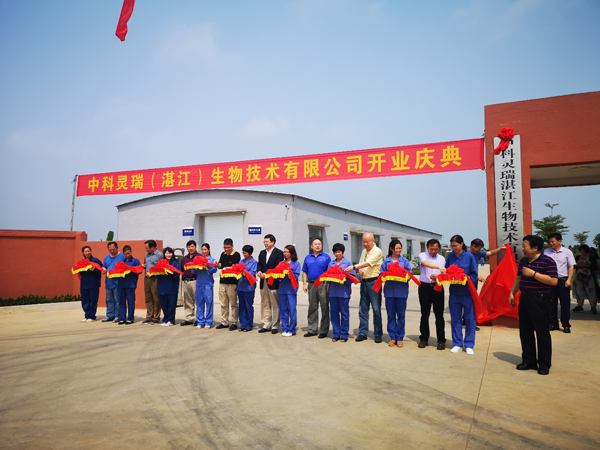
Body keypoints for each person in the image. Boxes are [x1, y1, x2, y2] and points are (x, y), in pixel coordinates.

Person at [509, 235, 558, 375]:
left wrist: (533, 274)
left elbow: (553, 281)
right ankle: (529, 360)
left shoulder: (548, 261)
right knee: (525, 331)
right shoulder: (524, 261)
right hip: (525, 298)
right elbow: (519, 277)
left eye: (525, 246)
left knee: (542, 333)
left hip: (540, 300)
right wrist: (512, 293)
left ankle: (544, 364)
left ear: (535, 248)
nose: (522, 249)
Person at [345, 232, 384, 343]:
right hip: (364, 282)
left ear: (373, 241)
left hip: (374, 282)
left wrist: (353, 267)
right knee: (363, 309)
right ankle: (363, 332)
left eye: (367, 242)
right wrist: (360, 271)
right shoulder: (364, 251)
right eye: (364, 242)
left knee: (376, 309)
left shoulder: (377, 251)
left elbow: (367, 263)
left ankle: (378, 334)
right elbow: (362, 263)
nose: (365, 244)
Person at [446, 235, 478, 355]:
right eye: (452, 246)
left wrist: (466, 278)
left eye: (455, 245)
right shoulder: (450, 257)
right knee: (455, 318)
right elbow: (446, 271)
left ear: (461, 244)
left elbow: (474, 274)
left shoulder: (469, 257)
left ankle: (469, 344)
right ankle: (457, 343)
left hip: (467, 293)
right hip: (454, 292)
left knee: (470, 319)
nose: (453, 248)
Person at [380, 240, 413, 348]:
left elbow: (410, 274)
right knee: (391, 315)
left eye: (400, 248)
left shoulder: (404, 261)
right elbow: (381, 275)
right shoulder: (386, 262)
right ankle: (392, 337)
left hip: (401, 292)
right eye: (397, 248)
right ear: (391, 249)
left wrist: (403, 276)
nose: (399, 250)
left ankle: (400, 337)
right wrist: (386, 275)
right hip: (389, 292)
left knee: (401, 315)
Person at [417, 239, 447, 350]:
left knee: (439, 315)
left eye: (436, 249)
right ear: (427, 248)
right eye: (431, 249)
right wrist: (438, 267)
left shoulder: (442, 258)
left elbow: (444, 273)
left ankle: (441, 340)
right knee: (425, 314)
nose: (434, 251)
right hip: (424, 287)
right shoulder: (422, 255)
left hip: (437, 286)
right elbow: (425, 263)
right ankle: (424, 339)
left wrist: (438, 276)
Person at [543, 233, 575, 333]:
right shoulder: (546, 252)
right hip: (550, 280)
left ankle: (566, 324)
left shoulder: (567, 252)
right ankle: (553, 323)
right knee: (551, 303)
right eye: (549, 241)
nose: (551, 243)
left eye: (553, 241)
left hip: (563, 281)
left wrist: (569, 279)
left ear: (559, 241)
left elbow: (571, 266)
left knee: (565, 304)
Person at [302, 237, 332, 338]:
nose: (318, 245)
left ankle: (324, 330)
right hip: (311, 284)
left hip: (323, 284)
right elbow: (304, 272)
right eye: (316, 244)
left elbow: (330, 272)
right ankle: (312, 329)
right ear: (311, 246)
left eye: (319, 244)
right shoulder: (307, 258)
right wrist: (305, 284)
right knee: (312, 307)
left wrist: (328, 285)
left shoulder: (326, 257)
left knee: (324, 307)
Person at [256, 234, 284, 334]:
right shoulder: (262, 253)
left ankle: (275, 325)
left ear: (272, 242)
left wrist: (267, 274)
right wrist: (259, 271)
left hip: (273, 281)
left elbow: (277, 267)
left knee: (275, 304)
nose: (265, 243)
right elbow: (259, 264)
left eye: (267, 242)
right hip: (263, 281)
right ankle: (266, 324)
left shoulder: (279, 253)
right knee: (265, 303)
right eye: (264, 242)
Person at [328, 243, 355, 343]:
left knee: (344, 314)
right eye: (335, 252)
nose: (337, 254)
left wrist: (344, 278)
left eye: (339, 252)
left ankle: (344, 334)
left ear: (342, 252)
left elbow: (352, 278)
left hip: (344, 292)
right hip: (333, 292)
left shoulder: (347, 263)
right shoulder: (331, 264)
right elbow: (327, 276)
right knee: (334, 313)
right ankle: (336, 333)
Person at [216, 238, 241, 331]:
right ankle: (224, 322)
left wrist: (227, 268)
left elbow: (235, 267)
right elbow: (220, 265)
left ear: (232, 246)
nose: (226, 249)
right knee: (223, 303)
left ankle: (234, 322)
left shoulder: (236, 255)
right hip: (223, 282)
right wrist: (217, 264)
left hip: (232, 283)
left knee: (233, 304)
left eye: (228, 248)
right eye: (225, 247)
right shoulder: (223, 254)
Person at [194, 244, 217, 329]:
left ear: (209, 250)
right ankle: (200, 321)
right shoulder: (198, 259)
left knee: (209, 303)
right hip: (199, 283)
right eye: (202, 250)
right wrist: (196, 266)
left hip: (207, 284)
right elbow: (193, 271)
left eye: (205, 249)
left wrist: (208, 265)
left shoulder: (212, 260)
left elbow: (214, 270)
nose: (204, 251)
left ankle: (208, 322)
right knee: (199, 303)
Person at [279, 245, 301, 337]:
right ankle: (285, 328)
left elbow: (296, 276)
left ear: (292, 253)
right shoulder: (281, 263)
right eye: (284, 252)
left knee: (292, 310)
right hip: (282, 289)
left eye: (287, 252)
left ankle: (292, 329)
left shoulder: (296, 264)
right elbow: (277, 275)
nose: (285, 253)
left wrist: (288, 272)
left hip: (291, 290)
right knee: (283, 310)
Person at [157, 247, 181, 327]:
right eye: (167, 253)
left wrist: (170, 270)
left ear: (172, 254)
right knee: (164, 305)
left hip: (172, 288)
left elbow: (177, 274)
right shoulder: (160, 262)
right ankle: (165, 319)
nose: (168, 255)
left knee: (171, 305)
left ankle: (171, 320)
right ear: (164, 254)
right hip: (162, 287)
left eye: (170, 253)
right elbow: (156, 275)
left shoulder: (175, 263)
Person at [117, 245, 141, 325]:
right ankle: (122, 318)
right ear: (123, 253)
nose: (127, 255)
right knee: (121, 301)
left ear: (131, 252)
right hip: (121, 284)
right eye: (126, 254)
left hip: (130, 284)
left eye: (129, 253)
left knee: (131, 301)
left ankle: (130, 318)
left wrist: (130, 270)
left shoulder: (135, 261)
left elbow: (139, 271)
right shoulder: (121, 262)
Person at [102, 241, 126, 323]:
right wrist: (104, 269)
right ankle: (109, 315)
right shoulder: (106, 257)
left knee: (117, 300)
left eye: (113, 249)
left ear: (117, 248)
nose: (112, 251)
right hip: (109, 282)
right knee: (109, 299)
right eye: (110, 250)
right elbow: (104, 266)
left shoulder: (122, 256)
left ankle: (117, 316)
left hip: (118, 282)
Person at [78, 246, 102, 323]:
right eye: (86, 251)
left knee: (93, 300)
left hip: (93, 284)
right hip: (84, 283)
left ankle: (92, 316)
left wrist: (93, 268)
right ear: (83, 253)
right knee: (85, 300)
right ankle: (87, 315)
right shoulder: (81, 262)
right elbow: (80, 272)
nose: (87, 253)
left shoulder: (95, 260)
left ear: (91, 252)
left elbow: (100, 269)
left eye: (88, 251)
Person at [142, 240, 163, 325]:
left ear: (153, 247)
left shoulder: (160, 255)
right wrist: (144, 267)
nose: (146, 250)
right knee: (148, 298)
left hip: (155, 278)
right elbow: (146, 264)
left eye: (147, 248)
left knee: (156, 298)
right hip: (147, 278)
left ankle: (156, 317)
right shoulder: (146, 255)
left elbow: (162, 267)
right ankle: (149, 316)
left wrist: (153, 273)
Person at [572, 245, 598, 314]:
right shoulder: (578, 257)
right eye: (581, 251)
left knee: (591, 291)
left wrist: (587, 265)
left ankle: (593, 307)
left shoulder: (591, 258)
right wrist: (577, 265)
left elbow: (595, 267)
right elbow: (573, 266)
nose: (582, 252)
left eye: (583, 251)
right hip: (579, 277)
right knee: (580, 290)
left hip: (589, 277)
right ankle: (580, 305)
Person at [237, 245, 257, 332]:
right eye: (243, 252)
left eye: (245, 253)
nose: (244, 254)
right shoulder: (241, 261)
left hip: (249, 287)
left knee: (248, 306)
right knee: (241, 306)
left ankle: (249, 324)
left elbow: (252, 273)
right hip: (240, 287)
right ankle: (243, 324)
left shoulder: (254, 262)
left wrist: (244, 272)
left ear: (250, 253)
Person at [180, 240, 199, 326]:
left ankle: (198, 318)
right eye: (189, 247)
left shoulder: (199, 257)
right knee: (187, 301)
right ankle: (189, 318)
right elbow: (182, 270)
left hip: (195, 281)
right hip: (186, 282)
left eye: (192, 246)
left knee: (197, 300)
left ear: (195, 247)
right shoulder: (184, 259)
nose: (191, 248)